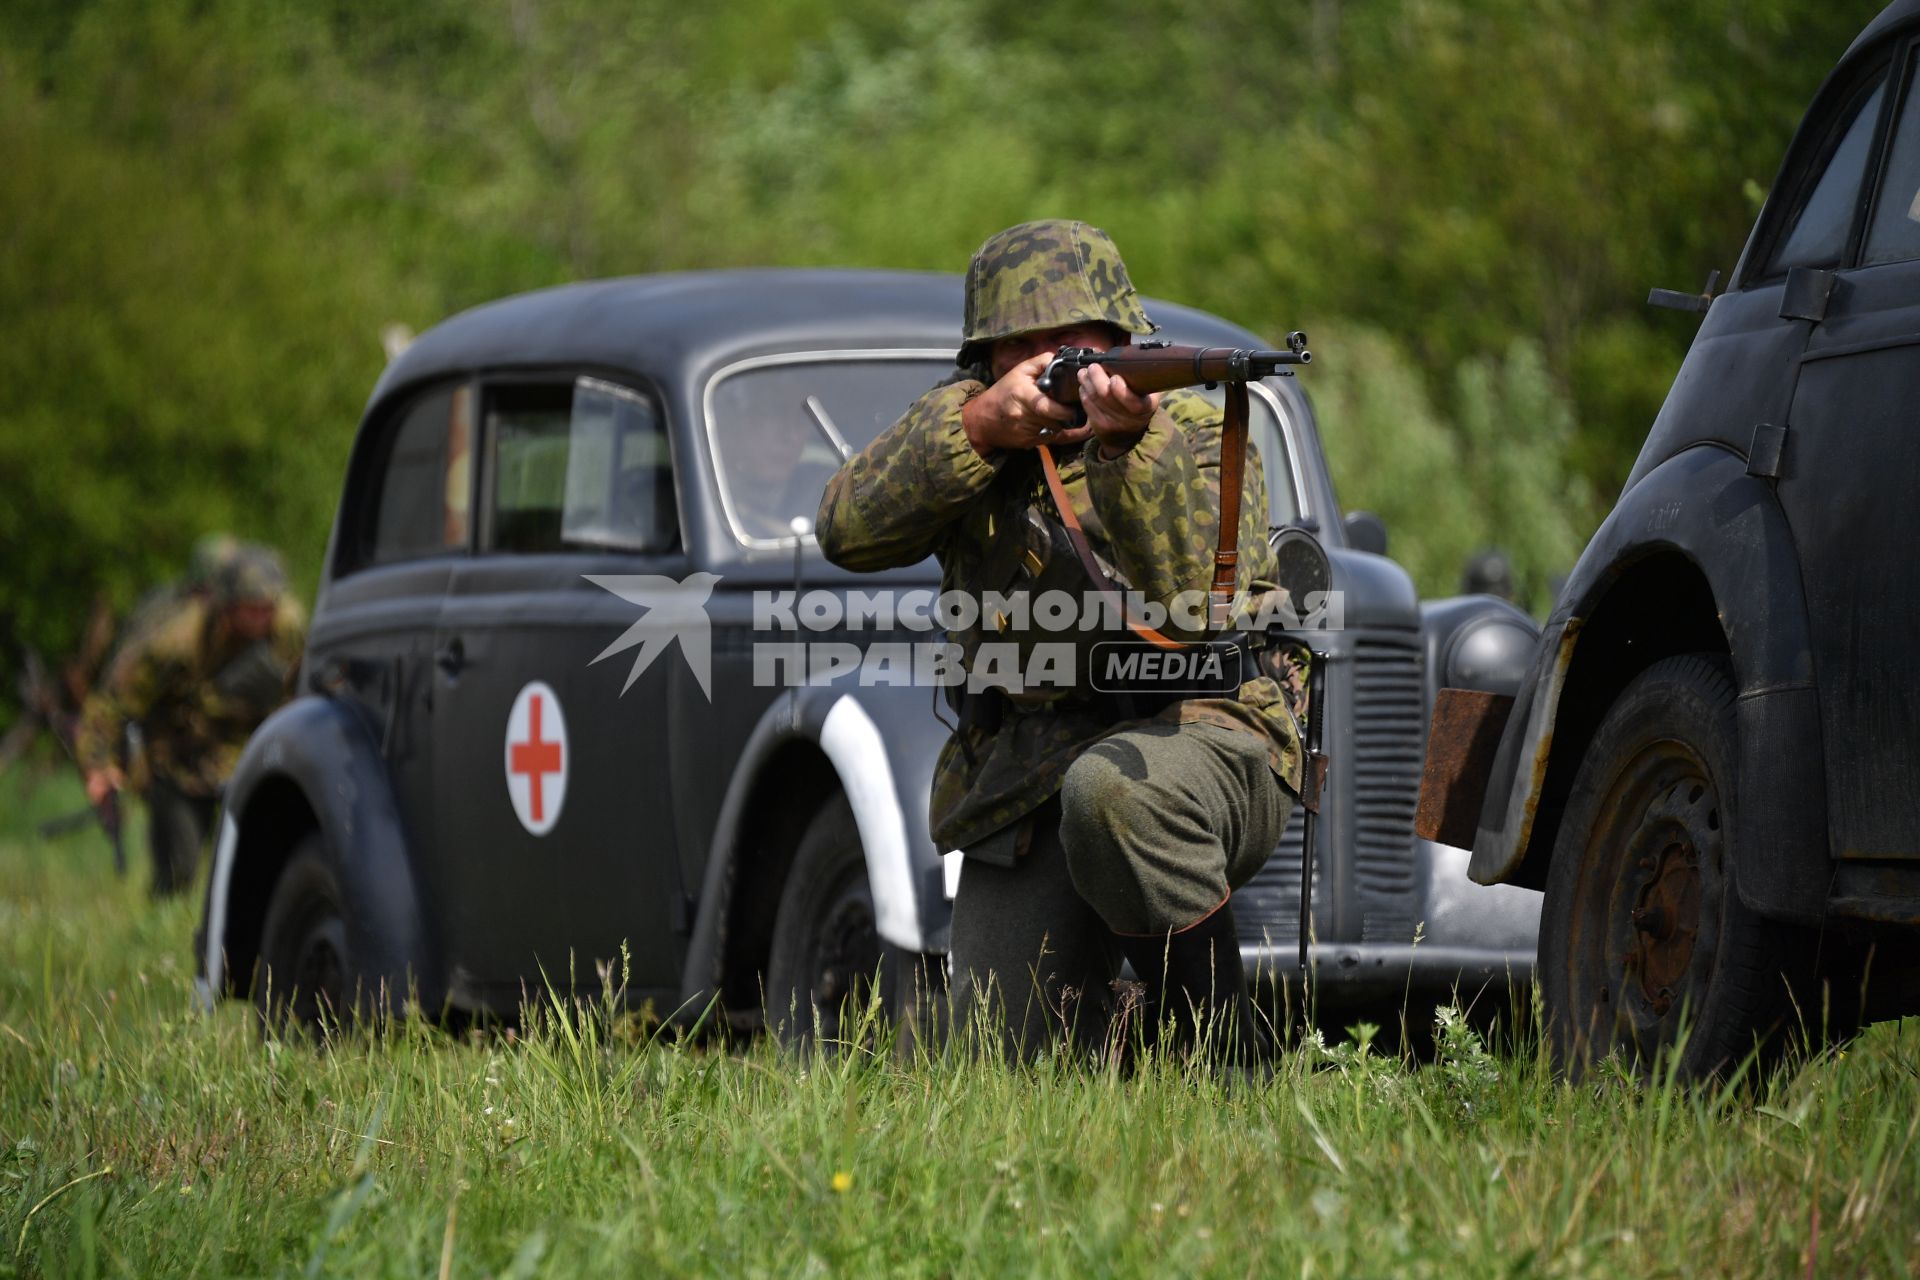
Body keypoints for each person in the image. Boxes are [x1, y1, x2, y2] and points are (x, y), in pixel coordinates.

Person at [816, 220, 1304, 1064]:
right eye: (1032, 344)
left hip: (1203, 733)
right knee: (1004, 1067)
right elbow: (844, 530)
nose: (1061, 361)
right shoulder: (969, 430)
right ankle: (1124, 1046)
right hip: (1026, 768)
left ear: (1121, 341)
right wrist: (976, 431)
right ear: (989, 358)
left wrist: (1126, 448)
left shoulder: (1185, 432)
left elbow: (1192, 609)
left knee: (1113, 794)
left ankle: (1223, 1065)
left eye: (1081, 341)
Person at [75, 544, 306, 897]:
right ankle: (158, 932)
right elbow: (110, 703)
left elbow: (308, 693)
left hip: (248, 759)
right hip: (177, 763)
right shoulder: (177, 640)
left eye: (268, 608)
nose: (262, 617)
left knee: (259, 867)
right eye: (251, 608)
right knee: (179, 868)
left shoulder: (289, 629)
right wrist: (99, 766)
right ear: (227, 606)